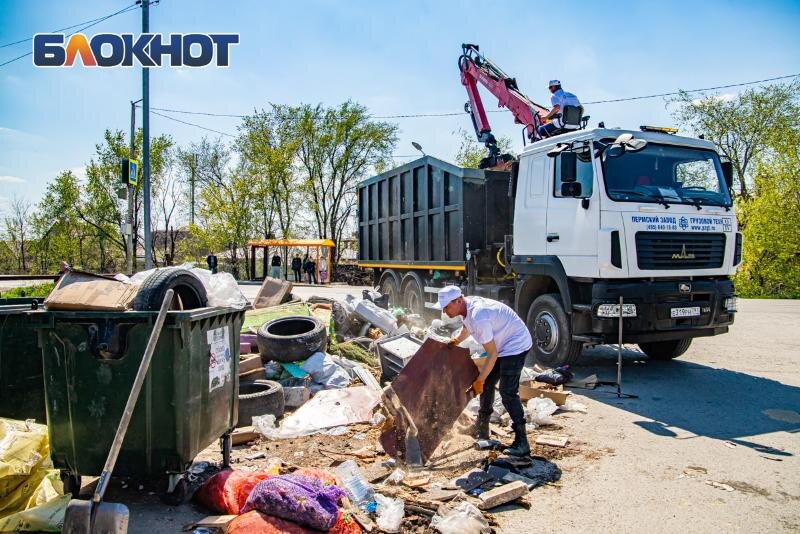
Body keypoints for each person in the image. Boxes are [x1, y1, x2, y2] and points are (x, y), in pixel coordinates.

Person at [435, 285, 533, 457]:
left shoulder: (479, 315)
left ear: (458, 301)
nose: (444, 311)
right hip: (501, 343)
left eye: (447, 307)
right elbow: (468, 327)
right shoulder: (466, 308)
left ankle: (522, 442)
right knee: (487, 383)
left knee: (507, 392)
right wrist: (457, 341)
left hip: (515, 344)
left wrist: (479, 379)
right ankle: (482, 428)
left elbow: (492, 353)